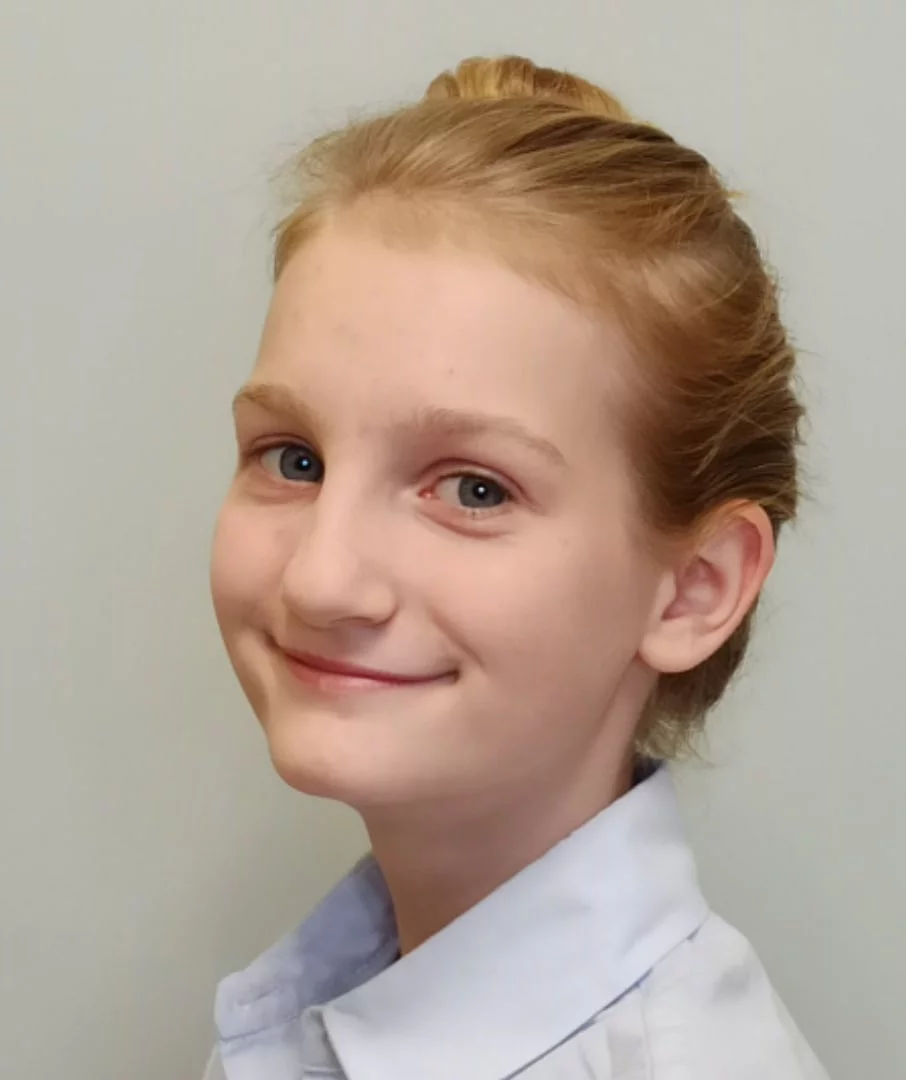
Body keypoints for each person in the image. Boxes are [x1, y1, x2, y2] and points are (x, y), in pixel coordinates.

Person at [202, 54, 829, 1080]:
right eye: (294, 459)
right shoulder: (323, 1003)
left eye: (474, 489)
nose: (320, 581)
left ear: (694, 587)